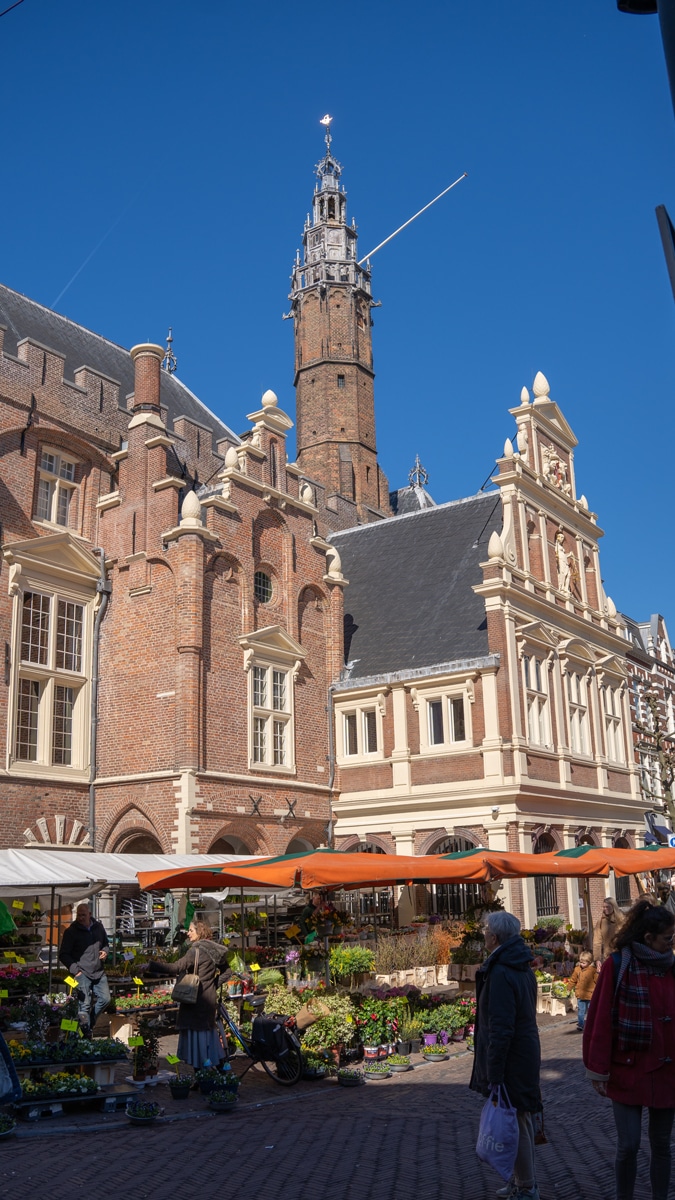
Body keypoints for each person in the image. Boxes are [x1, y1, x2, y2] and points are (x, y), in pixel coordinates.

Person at [583, 900, 675, 1200]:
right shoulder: (618, 965)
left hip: (666, 1070)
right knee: (628, 1144)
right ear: (648, 938)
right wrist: (598, 1068)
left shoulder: (673, 967)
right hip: (628, 1069)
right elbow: (599, 1016)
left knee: (662, 1144)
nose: (672, 943)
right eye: (668, 938)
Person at [470, 910, 541, 1200]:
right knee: (518, 1118)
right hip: (523, 1051)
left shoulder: (500, 971)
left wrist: (494, 1070)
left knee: (516, 1120)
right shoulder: (520, 965)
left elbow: (501, 1026)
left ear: (494, 936)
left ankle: (526, 1186)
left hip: (512, 1057)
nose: (483, 934)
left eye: (485, 930)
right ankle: (521, 1181)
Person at [146, 919, 229, 1067]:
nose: (187, 934)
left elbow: (175, 968)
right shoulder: (214, 950)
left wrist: (151, 965)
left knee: (198, 1044)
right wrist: (213, 984)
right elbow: (228, 971)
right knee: (208, 1040)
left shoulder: (195, 951)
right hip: (209, 1000)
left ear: (199, 932)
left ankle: (204, 1078)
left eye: (191, 930)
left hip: (195, 1001)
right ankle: (218, 1077)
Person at [59, 903, 110, 1036]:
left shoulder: (98, 927)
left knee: (106, 999)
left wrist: (105, 951)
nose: (80, 918)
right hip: (82, 972)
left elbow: (105, 943)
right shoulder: (71, 931)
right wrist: (76, 970)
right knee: (85, 1005)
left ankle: (89, 1023)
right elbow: (63, 954)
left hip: (98, 971)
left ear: (89, 915)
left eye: (83, 915)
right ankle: (85, 1035)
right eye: (78, 915)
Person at [567, 950, 598, 1032]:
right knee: (581, 1011)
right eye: (581, 962)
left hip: (591, 995)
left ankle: (591, 1024)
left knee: (591, 1011)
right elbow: (573, 980)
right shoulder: (577, 969)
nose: (581, 964)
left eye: (584, 963)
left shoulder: (593, 970)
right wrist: (568, 988)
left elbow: (597, 981)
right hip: (580, 995)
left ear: (589, 962)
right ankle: (581, 1024)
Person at [593, 896, 625, 969]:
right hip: (608, 956)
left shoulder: (622, 920)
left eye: (607, 907)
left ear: (613, 906)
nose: (605, 909)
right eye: (603, 907)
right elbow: (596, 942)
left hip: (622, 955)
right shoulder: (601, 922)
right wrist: (597, 959)